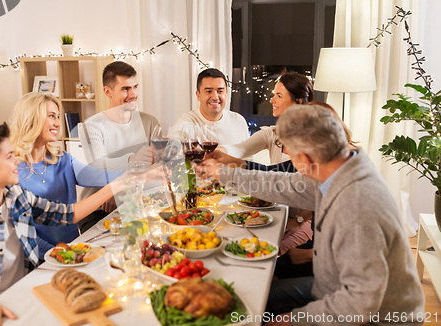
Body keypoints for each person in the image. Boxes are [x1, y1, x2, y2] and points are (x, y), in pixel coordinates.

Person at [197, 104, 425, 325]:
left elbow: (360, 302)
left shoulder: (357, 205)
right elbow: (280, 184)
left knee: (251, 309)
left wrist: (295, 320)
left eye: (289, 153)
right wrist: (224, 174)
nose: (288, 159)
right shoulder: (337, 167)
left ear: (304, 160)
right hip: (336, 288)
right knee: (255, 297)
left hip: (379, 317)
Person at [0, 123, 131, 326]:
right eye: (8, 157)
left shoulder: (16, 196)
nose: (16, 161)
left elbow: (67, 214)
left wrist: (116, 185)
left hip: (18, 296)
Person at [10, 93, 124, 258]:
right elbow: (24, 234)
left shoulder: (62, 159)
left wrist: (140, 172)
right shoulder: (12, 171)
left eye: (58, 116)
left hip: (73, 251)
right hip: (39, 260)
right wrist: (59, 256)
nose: (57, 123)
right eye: (51, 116)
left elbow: (102, 176)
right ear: (31, 118)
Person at [79, 61, 160, 218]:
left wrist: (122, 191)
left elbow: (160, 171)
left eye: (135, 87)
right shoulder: (91, 126)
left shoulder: (150, 122)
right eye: (125, 89)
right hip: (101, 209)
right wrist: (133, 161)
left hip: (139, 202)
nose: (133, 94)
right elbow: (100, 169)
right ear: (107, 92)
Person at [219, 73, 314, 165]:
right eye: (274, 94)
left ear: (298, 102)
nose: (271, 100)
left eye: (279, 96)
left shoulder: (317, 138)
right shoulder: (272, 134)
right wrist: (215, 152)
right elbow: (239, 149)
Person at [169, 68, 250, 149]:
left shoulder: (238, 121)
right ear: (198, 95)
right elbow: (173, 145)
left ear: (226, 93)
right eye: (208, 91)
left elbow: (249, 158)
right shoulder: (187, 122)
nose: (215, 97)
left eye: (220, 91)